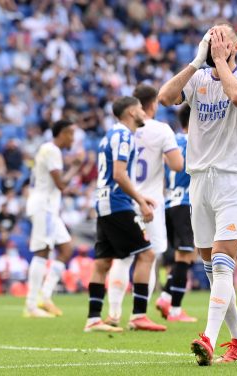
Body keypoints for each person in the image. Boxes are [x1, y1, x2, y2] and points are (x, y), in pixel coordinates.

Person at [158, 23, 237, 365]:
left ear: (236, 45)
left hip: (234, 178)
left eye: (221, 37)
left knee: (221, 262)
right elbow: (164, 97)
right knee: (212, 266)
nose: (214, 41)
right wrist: (196, 60)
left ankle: (208, 337)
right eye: (209, 36)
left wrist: (219, 61)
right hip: (200, 180)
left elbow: (236, 96)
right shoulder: (199, 78)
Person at [83, 96, 166, 333]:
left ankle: (93, 319)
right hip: (116, 204)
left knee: (103, 262)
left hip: (105, 202)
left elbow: (114, 176)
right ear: (131, 112)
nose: (144, 112)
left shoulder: (110, 135)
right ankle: (139, 315)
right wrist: (140, 201)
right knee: (147, 254)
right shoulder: (123, 136)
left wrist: (137, 196)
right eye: (140, 108)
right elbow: (119, 174)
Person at [106, 84, 184, 326]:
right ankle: (139, 314)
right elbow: (177, 165)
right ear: (152, 105)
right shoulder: (162, 130)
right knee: (149, 257)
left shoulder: (118, 130)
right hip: (151, 200)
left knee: (123, 258)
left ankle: (114, 312)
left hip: (124, 200)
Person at [23, 119, 80, 318]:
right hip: (44, 207)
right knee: (42, 251)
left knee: (66, 249)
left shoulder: (48, 150)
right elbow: (61, 184)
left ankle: (45, 296)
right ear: (62, 133)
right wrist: (76, 167)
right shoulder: (52, 150)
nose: (73, 138)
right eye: (70, 134)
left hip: (48, 207)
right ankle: (31, 305)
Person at [155, 105, 198, 322]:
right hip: (186, 202)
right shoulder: (196, 142)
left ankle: (165, 297)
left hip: (170, 202)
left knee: (187, 255)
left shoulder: (172, 142)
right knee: (185, 255)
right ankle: (174, 309)